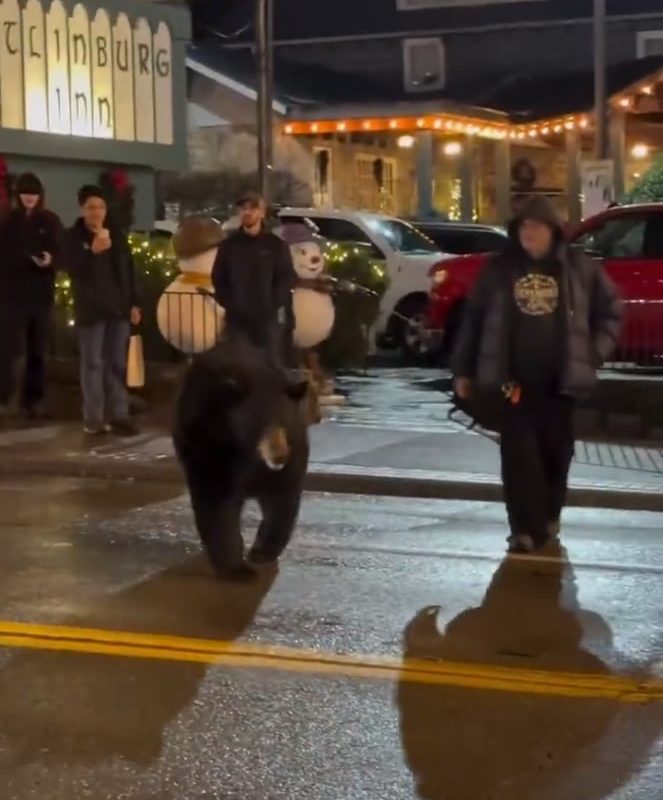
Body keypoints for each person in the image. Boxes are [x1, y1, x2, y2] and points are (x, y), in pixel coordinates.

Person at [452, 197, 622, 554]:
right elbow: (474, 320)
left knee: (556, 453)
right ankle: (523, 530)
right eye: (523, 226)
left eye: (536, 226)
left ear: (552, 231)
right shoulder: (500, 269)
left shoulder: (579, 268)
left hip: (560, 382)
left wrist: (593, 353)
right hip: (513, 381)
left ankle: (548, 517)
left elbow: (610, 312)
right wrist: (463, 370)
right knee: (519, 454)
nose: (528, 232)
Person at [62, 185, 141, 436]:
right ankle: (94, 418)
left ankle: (119, 415)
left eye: (100, 207)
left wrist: (134, 302)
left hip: (117, 309)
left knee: (117, 363)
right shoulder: (73, 237)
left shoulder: (117, 235)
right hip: (91, 310)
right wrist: (92, 251)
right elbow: (70, 267)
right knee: (93, 364)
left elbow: (129, 270)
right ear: (82, 209)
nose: (96, 212)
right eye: (91, 207)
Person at [0, 172, 63, 420]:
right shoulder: (7, 221)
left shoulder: (50, 221)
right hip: (11, 295)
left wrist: (50, 260)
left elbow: (60, 251)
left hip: (40, 295)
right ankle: (3, 397)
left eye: (33, 193)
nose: (29, 198)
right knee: (7, 349)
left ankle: (33, 400)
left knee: (37, 350)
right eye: (25, 193)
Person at [212, 191, 296, 370]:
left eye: (252, 208)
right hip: (237, 321)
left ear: (262, 212)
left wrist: (274, 303)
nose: (247, 212)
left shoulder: (275, 245)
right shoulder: (229, 246)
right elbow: (218, 277)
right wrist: (229, 303)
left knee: (271, 366)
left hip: (268, 320)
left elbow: (285, 277)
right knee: (239, 367)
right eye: (243, 208)